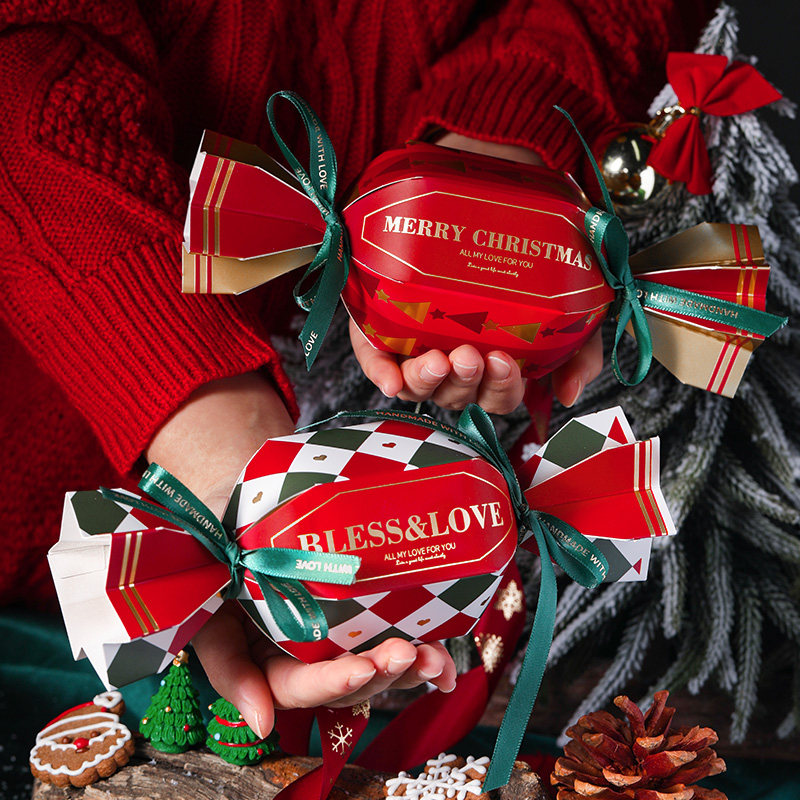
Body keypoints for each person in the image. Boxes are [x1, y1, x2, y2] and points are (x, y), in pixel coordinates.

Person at [0, 0, 713, 743]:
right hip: (59, 471)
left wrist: (482, 167)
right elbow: (21, 77)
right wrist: (215, 435)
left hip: (377, 416)